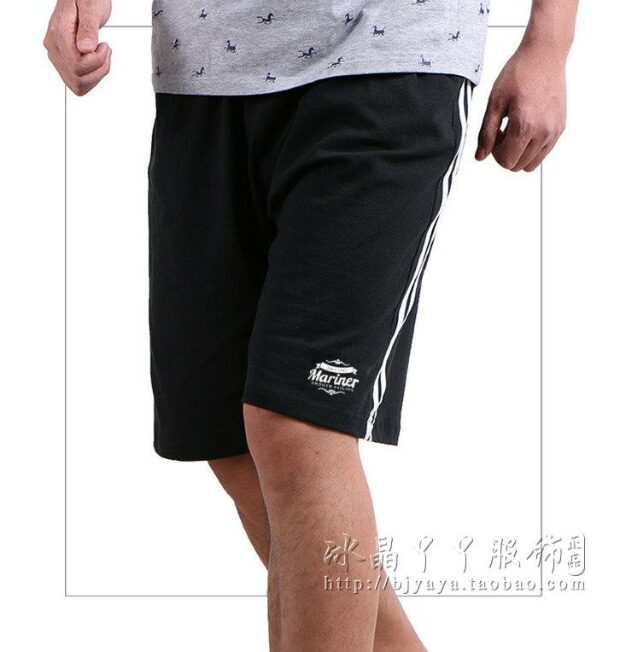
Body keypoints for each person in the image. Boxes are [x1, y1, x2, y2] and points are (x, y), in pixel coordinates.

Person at [44, 1, 578, 649]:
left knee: (295, 420)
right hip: (203, 69)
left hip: (387, 57)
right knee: (226, 435)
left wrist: (549, 42)